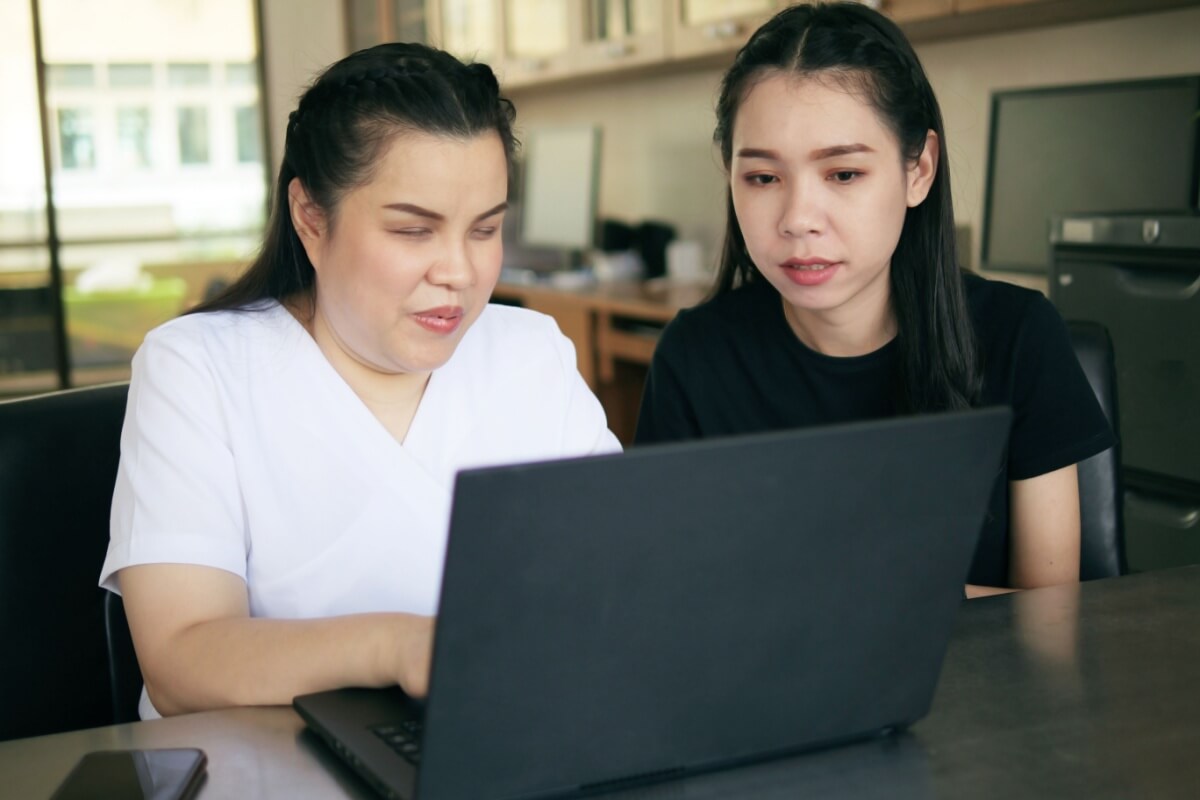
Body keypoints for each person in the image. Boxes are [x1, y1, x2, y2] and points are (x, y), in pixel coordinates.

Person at [100, 43, 620, 719]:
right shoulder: (197, 367)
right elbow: (182, 660)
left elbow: (620, 583)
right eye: (413, 230)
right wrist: (403, 647)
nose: (459, 272)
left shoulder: (530, 353)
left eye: (485, 228)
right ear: (312, 219)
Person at [634, 2, 1113, 598]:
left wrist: (827, 596)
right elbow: (671, 598)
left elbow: (1051, 619)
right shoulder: (694, 357)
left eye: (843, 175)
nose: (798, 220)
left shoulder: (1018, 337)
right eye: (762, 178)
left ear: (919, 170)